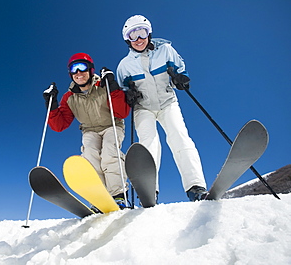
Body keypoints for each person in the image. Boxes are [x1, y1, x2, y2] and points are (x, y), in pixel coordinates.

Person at [116, 15, 207, 202]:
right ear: (127, 40)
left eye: (142, 33)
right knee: (148, 143)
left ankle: (195, 186)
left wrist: (180, 78)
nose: (138, 39)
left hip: (168, 103)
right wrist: (128, 95)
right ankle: (150, 191)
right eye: (133, 35)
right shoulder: (124, 66)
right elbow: (122, 90)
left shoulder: (165, 50)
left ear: (149, 34)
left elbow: (180, 68)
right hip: (143, 108)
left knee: (179, 137)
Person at [43, 52, 130, 209]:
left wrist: (113, 87)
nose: (78, 73)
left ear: (90, 69)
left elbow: (121, 113)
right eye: (73, 69)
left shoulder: (102, 86)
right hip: (90, 131)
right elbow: (59, 125)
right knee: (90, 156)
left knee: (109, 153)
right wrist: (53, 105)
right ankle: (100, 199)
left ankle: (118, 195)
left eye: (82, 67)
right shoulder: (69, 97)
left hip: (112, 125)